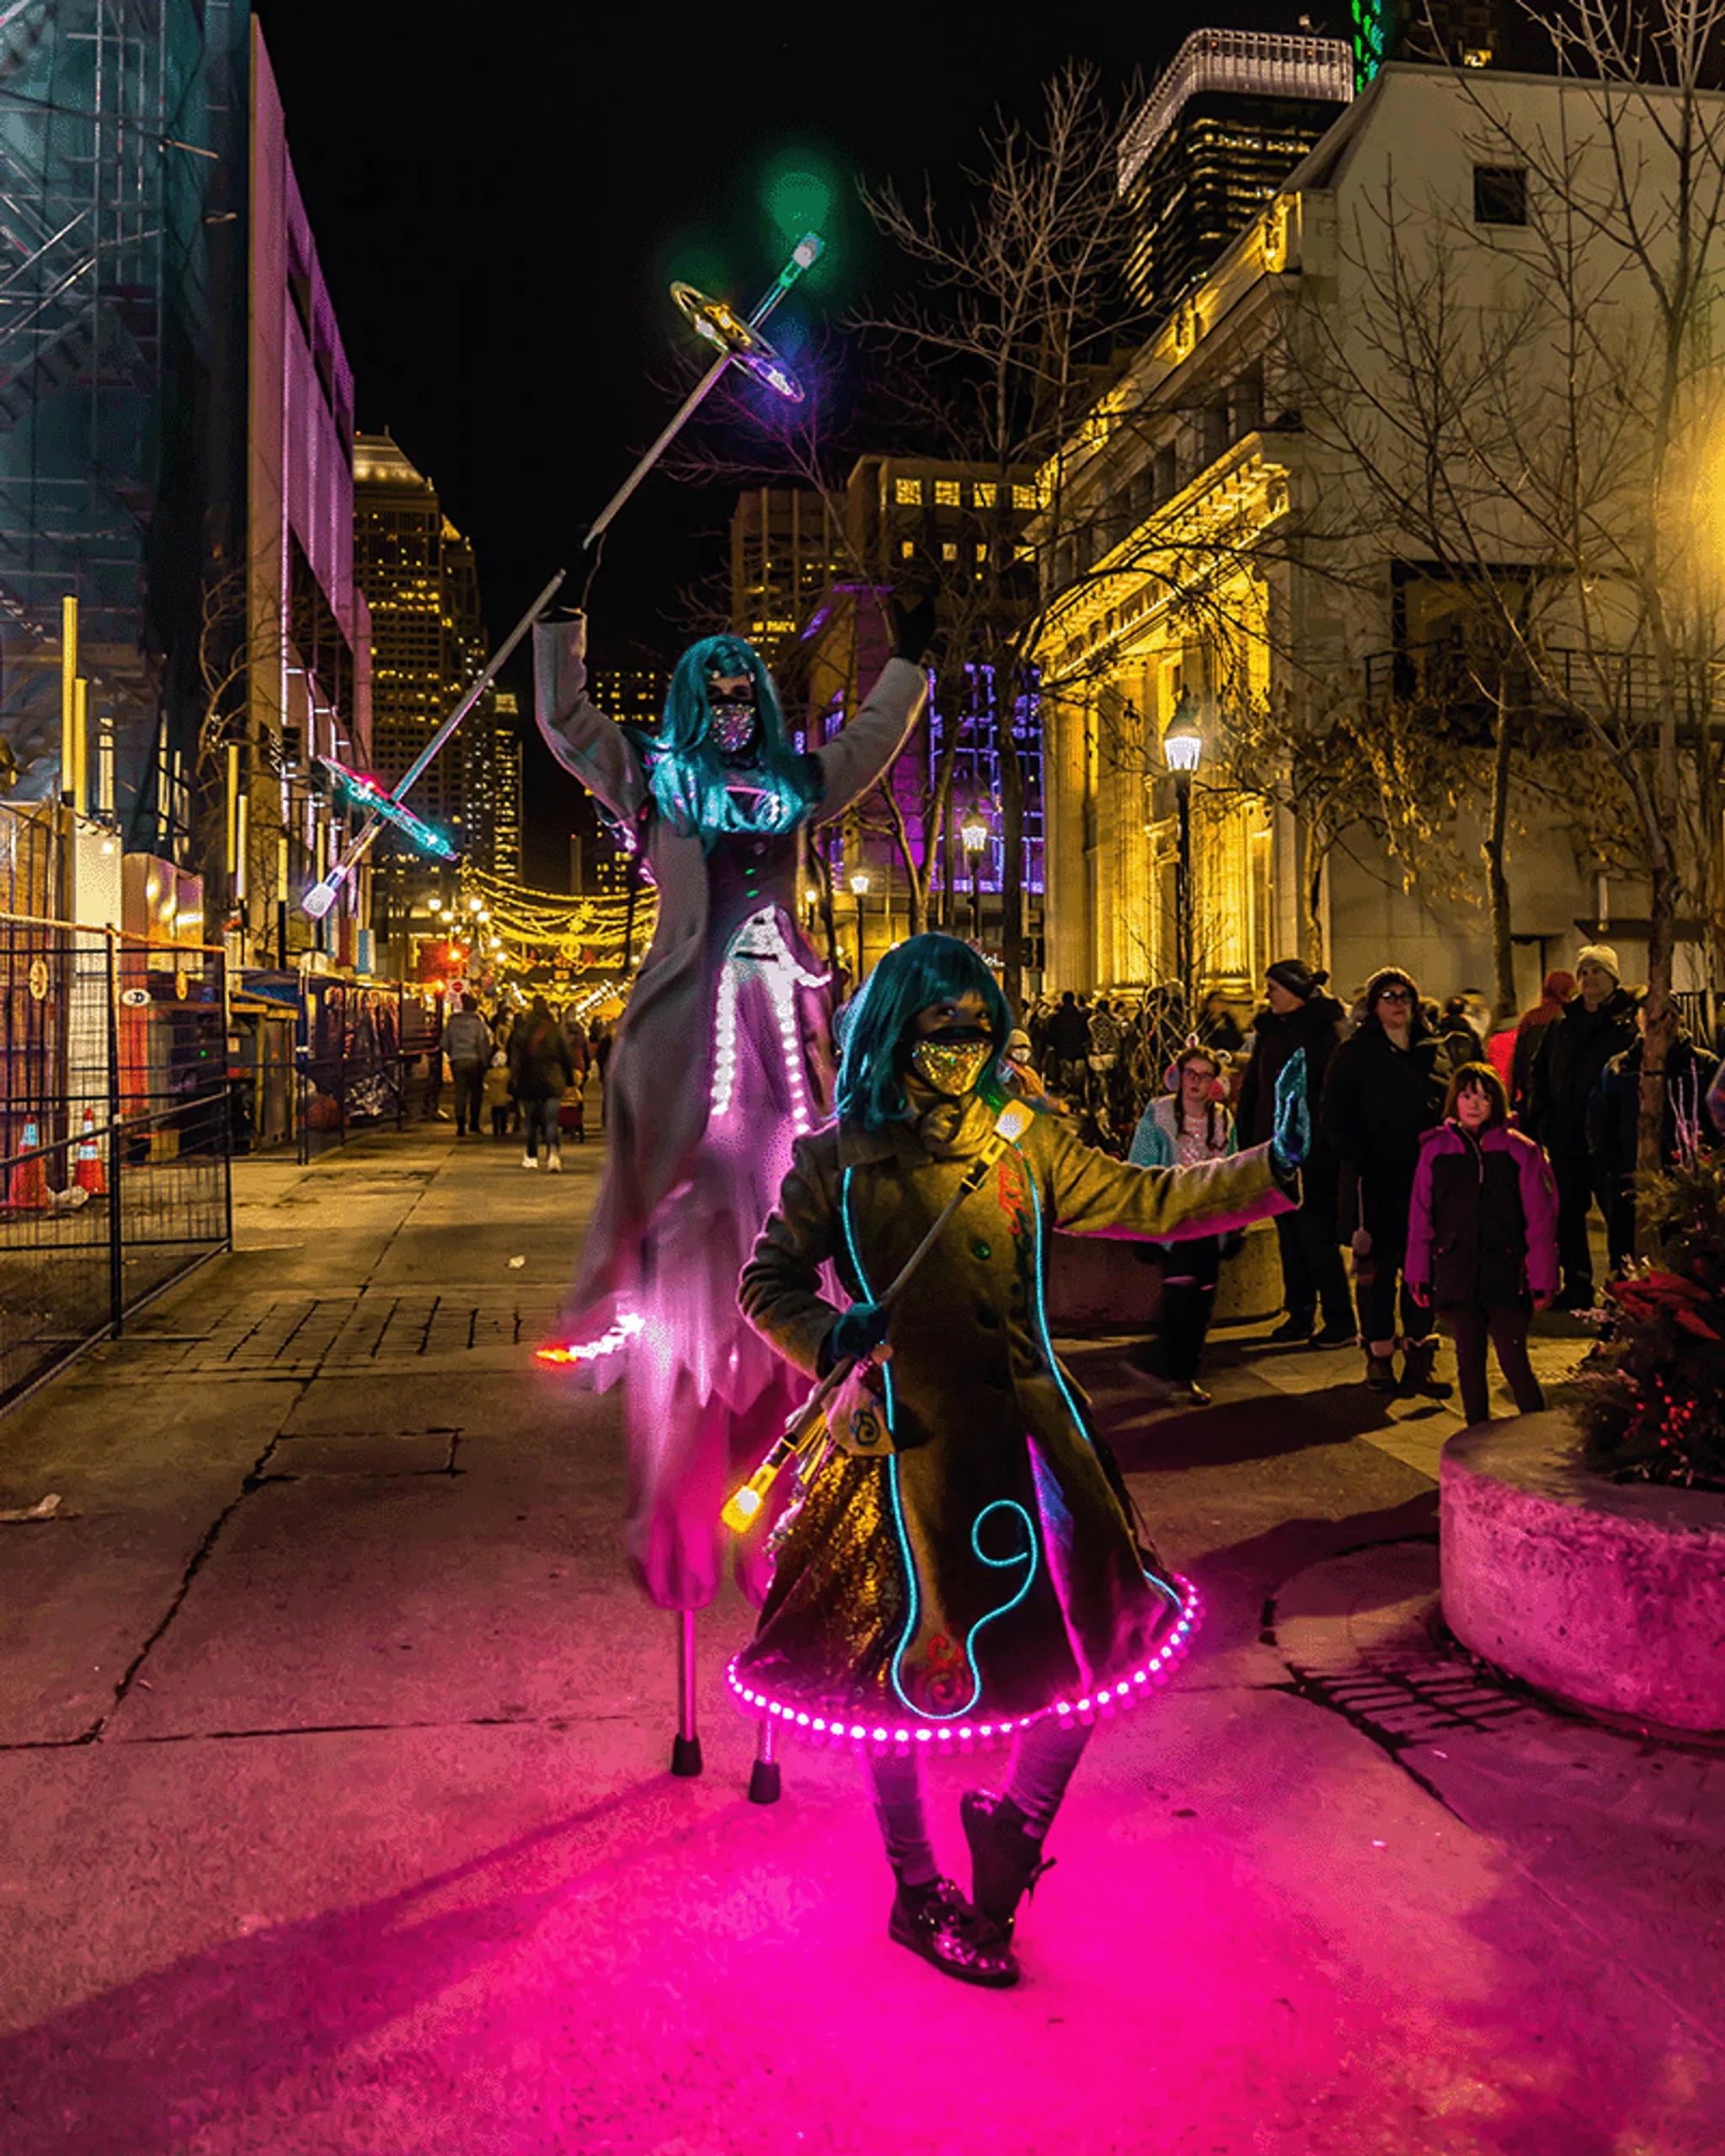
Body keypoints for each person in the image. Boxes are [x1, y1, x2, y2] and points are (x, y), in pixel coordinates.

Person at [734, 934, 1308, 1987]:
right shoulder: (836, 1158)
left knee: (1084, 1660)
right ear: (891, 1029)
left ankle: (1007, 1839)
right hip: (905, 1462)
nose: (958, 1048)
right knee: (892, 1681)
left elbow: (1145, 1200)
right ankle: (915, 1888)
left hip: (1037, 1451)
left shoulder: (1022, 1140)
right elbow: (765, 1281)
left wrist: (1269, 1165)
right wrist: (829, 1335)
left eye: (974, 1027)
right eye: (935, 1026)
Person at [535, 604, 930, 1774]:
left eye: (743, 690)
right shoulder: (655, 784)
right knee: (675, 1234)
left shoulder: (795, 786)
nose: (731, 708)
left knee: (814, 1219)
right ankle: (641, 1358)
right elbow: (567, 721)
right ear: (687, 707)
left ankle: (782, 1505)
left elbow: (862, 747)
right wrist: (567, 618)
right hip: (686, 1045)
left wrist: (910, 661)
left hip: (785, 1044)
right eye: (711, 694)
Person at [1321, 966, 1465, 1394]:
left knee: (1424, 1271)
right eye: (1389, 995)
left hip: (1426, 1178)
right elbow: (1334, 1115)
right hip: (1376, 1180)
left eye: (1405, 995)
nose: (1398, 1002)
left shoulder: (1433, 1049)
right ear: (1374, 1005)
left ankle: (1420, 1360)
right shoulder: (1355, 1053)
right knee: (1378, 1271)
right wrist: (1360, 1157)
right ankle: (1379, 1357)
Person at [1406, 1063, 1558, 1426]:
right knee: (1468, 1363)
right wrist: (1419, 1273)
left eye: (1484, 1097)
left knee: (1513, 1358)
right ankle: (1477, 1439)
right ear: (1454, 1101)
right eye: (1467, 1095)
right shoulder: (1436, 1152)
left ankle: (1536, 1432)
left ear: (1497, 1102)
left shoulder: (1520, 1151)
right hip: (1458, 1271)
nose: (1475, 1104)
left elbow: (1541, 1220)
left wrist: (1542, 1278)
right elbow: (1421, 1217)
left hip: (1506, 1272)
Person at [1236, 959, 1355, 1347]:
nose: (1267, 993)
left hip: (1313, 1153)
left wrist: (1319, 1141)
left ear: (1294, 992)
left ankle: (1339, 1319)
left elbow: (1332, 1096)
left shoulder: (1324, 1035)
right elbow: (1256, 1090)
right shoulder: (1272, 1033)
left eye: (1273, 986)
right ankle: (1299, 1313)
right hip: (1276, 1151)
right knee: (1289, 1236)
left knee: (1316, 1236)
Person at [1523, 946, 1638, 1308]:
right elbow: (1539, 1071)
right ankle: (1577, 1285)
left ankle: (1623, 1288)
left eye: (1597, 972)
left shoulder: (1626, 1024)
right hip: (1566, 1136)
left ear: (1613, 979)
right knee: (1569, 1216)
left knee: (1618, 1217)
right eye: (1584, 972)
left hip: (1610, 1141)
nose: (1589, 979)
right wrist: (1542, 1119)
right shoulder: (1562, 1022)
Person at [1126, 1041, 1236, 1404]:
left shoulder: (1222, 1119)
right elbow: (1140, 1166)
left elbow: (1233, 1168)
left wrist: (1234, 1220)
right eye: (1191, 1074)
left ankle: (1185, 1373)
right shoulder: (1158, 1114)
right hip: (1172, 1219)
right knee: (1178, 1294)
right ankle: (1170, 1369)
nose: (1197, 1082)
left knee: (1203, 1299)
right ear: (1179, 1076)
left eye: (1205, 1076)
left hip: (1208, 1220)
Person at [1587, 1004, 1720, 1271]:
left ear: (1680, 1018)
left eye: (1667, 1014)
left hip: (1690, 1183)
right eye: (1650, 1014)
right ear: (1638, 1019)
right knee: (1628, 1260)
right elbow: (1599, 1121)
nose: (1658, 1021)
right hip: (1631, 1179)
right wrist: (1612, 1170)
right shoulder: (1620, 1068)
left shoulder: (1703, 1066)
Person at [508, 995, 574, 1170]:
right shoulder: (555, 1030)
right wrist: (570, 1079)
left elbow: (514, 1058)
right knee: (551, 1120)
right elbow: (567, 1056)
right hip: (552, 1080)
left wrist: (512, 1077)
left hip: (528, 1080)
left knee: (531, 1120)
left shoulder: (523, 1030)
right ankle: (553, 1156)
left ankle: (531, 1156)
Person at [1508, 970, 1575, 1118]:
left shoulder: (1531, 1018)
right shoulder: (1571, 1017)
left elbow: (1519, 1058)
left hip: (1532, 1095)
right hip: (1564, 1097)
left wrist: (1511, 1094)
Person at [441, 993, 493, 1137]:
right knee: (476, 1093)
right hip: (474, 1060)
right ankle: (474, 1123)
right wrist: (484, 1061)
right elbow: (483, 1044)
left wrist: (453, 1053)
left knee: (460, 1093)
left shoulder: (452, 1022)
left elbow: (444, 1043)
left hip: (457, 1060)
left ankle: (460, 1124)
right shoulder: (478, 1023)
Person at [1044, 990, 1090, 1097]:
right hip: (1078, 1053)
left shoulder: (1056, 1018)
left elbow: (1050, 1036)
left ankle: (1065, 1100)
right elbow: (1086, 1035)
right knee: (1078, 1082)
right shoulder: (1081, 1017)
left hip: (1062, 1053)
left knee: (1064, 1081)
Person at [1196, 988, 1246, 1055]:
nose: (1222, 1003)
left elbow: (1239, 1041)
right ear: (1209, 1004)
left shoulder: (1229, 1022)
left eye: (1224, 1001)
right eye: (1218, 1001)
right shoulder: (1204, 1025)